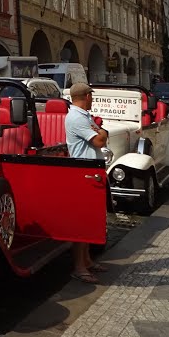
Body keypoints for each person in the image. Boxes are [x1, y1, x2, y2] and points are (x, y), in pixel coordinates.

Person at [64, 82, 109, 283]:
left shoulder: (83, 116)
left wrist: (100, 131)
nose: (93, 99)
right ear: (86, 96)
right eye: (91, 95)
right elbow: (99, 140)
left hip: (90, 170)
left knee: (90, 219)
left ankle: (87, 260)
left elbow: (98, 135)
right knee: (82, 222)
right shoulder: (76, 117)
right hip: (83, 171)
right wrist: (103, 132)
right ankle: (79, 266)